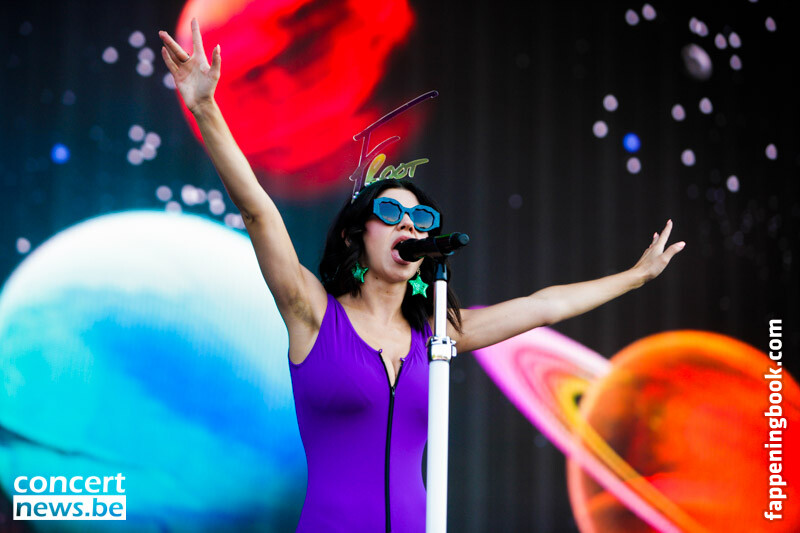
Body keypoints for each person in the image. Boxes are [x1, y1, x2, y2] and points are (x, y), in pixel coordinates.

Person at [159, 19, 685, 533]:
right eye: (390, 213)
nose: (409, 225)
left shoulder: (437, 335)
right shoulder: (313, 313)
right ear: (356, 235)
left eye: (421, 218)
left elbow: (543, 306)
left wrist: (635, 277)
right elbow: (259, 212)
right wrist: (205, 107)